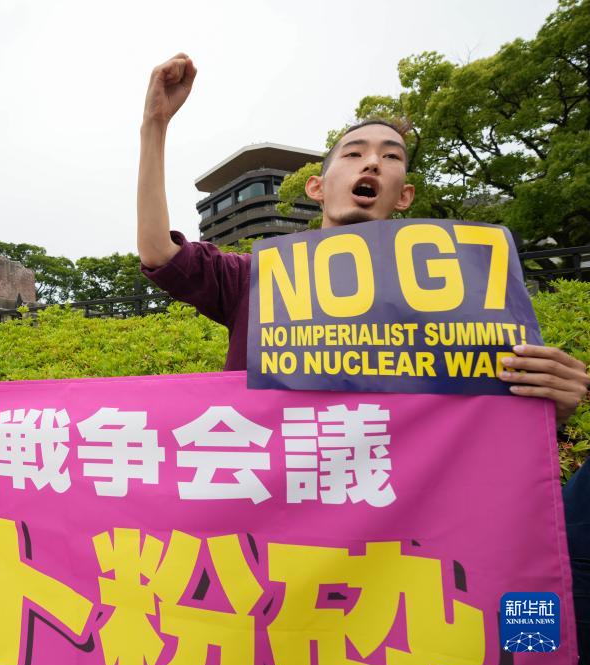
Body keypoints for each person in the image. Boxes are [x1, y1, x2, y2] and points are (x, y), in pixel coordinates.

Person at [136, 53, 590, 423]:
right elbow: (159, 251)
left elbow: (474, 427)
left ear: (404, 195)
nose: (372, 163)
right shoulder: (258, 277)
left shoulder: (460, 292)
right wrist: (154, 125)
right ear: (317, 187)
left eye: (391, 157)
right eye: (353, 154)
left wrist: (548, 404)